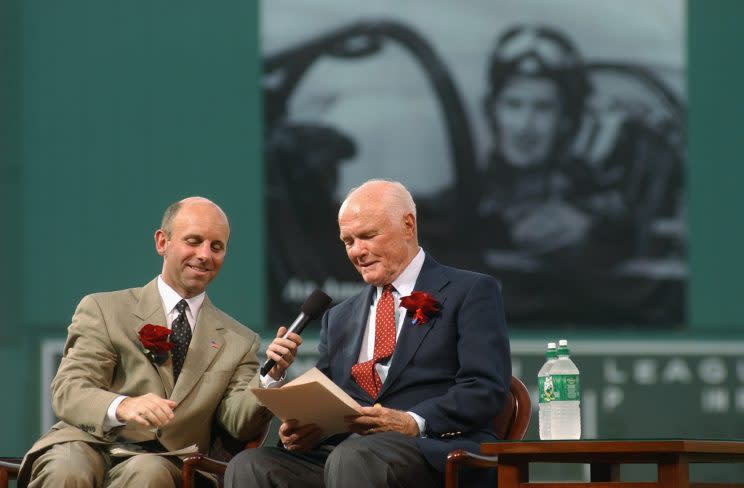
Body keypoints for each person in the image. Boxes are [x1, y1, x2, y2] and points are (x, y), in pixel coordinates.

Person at [225, 179, 511, 487]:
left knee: (355, 457)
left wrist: (413, 422)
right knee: (250, 466)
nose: (357, 251)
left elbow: (485, 387)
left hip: (432, 452)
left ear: (408, 225)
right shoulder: (338, 317)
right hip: (345, 454)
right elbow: (324, 397)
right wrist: (303, 429)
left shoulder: (468, 291)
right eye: (348, 241)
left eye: (367, 236)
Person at [18, 196, 302, 487]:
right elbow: (70, 390)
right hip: (87, 442)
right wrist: (123, 405)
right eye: (194, 241)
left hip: (166, 459)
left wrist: (270, 376)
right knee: (67, 469)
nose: (205, 254)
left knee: (148, 472)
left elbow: (239, 423)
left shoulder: (239, 340)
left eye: (217, 246)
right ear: (162, 242)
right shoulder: (104, 309)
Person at [477, 25, 683, 323]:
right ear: (493, 110)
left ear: (567, 120)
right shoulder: (471, 193)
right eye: (513, 105)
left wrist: (595, 231)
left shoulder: (605, 200)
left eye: (543, 108)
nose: (524, 126)